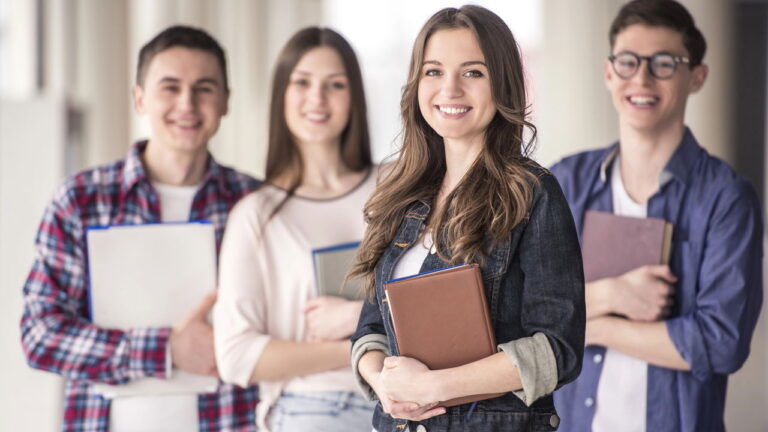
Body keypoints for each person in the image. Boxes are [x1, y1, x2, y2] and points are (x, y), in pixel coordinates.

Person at [349, 6, 585, 432]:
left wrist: (433, 387)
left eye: (473, 73)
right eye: (433, 72)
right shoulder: (400, 194)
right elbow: (370, 327)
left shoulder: (532, 193)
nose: (450, 89)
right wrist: (382, 383)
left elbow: (557, 350)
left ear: (502, 83)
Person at [20, 26, 260, 432]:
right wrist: (165, 350)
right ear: (139, 98)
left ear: (225, 102)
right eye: (170, 87)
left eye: (204, 88)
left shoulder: (254, 204)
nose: (187, 104)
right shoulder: (82, 200)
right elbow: (40, 334)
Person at [550, 1, 763, 431]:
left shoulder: (726, 198)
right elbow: (518, 308)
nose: (642, 79)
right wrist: (611, 297)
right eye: (628, 62)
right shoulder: (565, 183)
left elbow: (720, 344)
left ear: (697, 77)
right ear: (610, 73)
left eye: (664, 63)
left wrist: (588, 326)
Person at [213, 27, 376, 432]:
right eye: (302, 82)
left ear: (354, 96)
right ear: (281, 95)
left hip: (411, 400)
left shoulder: (396, 187)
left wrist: (360, 316)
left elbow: (436, 298)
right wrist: (361, 346)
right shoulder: (257, 214)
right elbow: (236, 356)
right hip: (314, 407)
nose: (317, 99)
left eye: (334, 85)